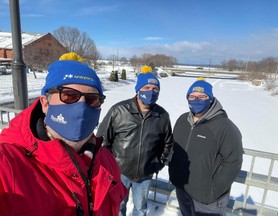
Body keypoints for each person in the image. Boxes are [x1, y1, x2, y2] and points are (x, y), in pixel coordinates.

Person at [0, 52, 127, 216]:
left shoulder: (107, 162)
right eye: (69, 95)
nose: (81, 106)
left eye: (92, 99)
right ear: (45, 104)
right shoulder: (8, 166)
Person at [96, 65, 173, 216]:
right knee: (118, 207)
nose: (151, 91)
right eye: (146, 87)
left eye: (155, 89)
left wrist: (157, 163)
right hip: (119, 172)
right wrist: (111, 165)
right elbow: (103, 141)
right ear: (138, 89)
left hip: (145, 175)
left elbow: (168, 144)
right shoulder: (119, 110)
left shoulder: (162, 115)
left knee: (141, 209)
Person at [169, 77, 243, 216]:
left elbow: (233, 162)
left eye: (202, 96)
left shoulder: (225, 127)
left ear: (210, 99)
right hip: (183, 189)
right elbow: (175, 147)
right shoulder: (182, 120)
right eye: (192, 96)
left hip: (208, 200)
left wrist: (213, 191)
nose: (196, 100)